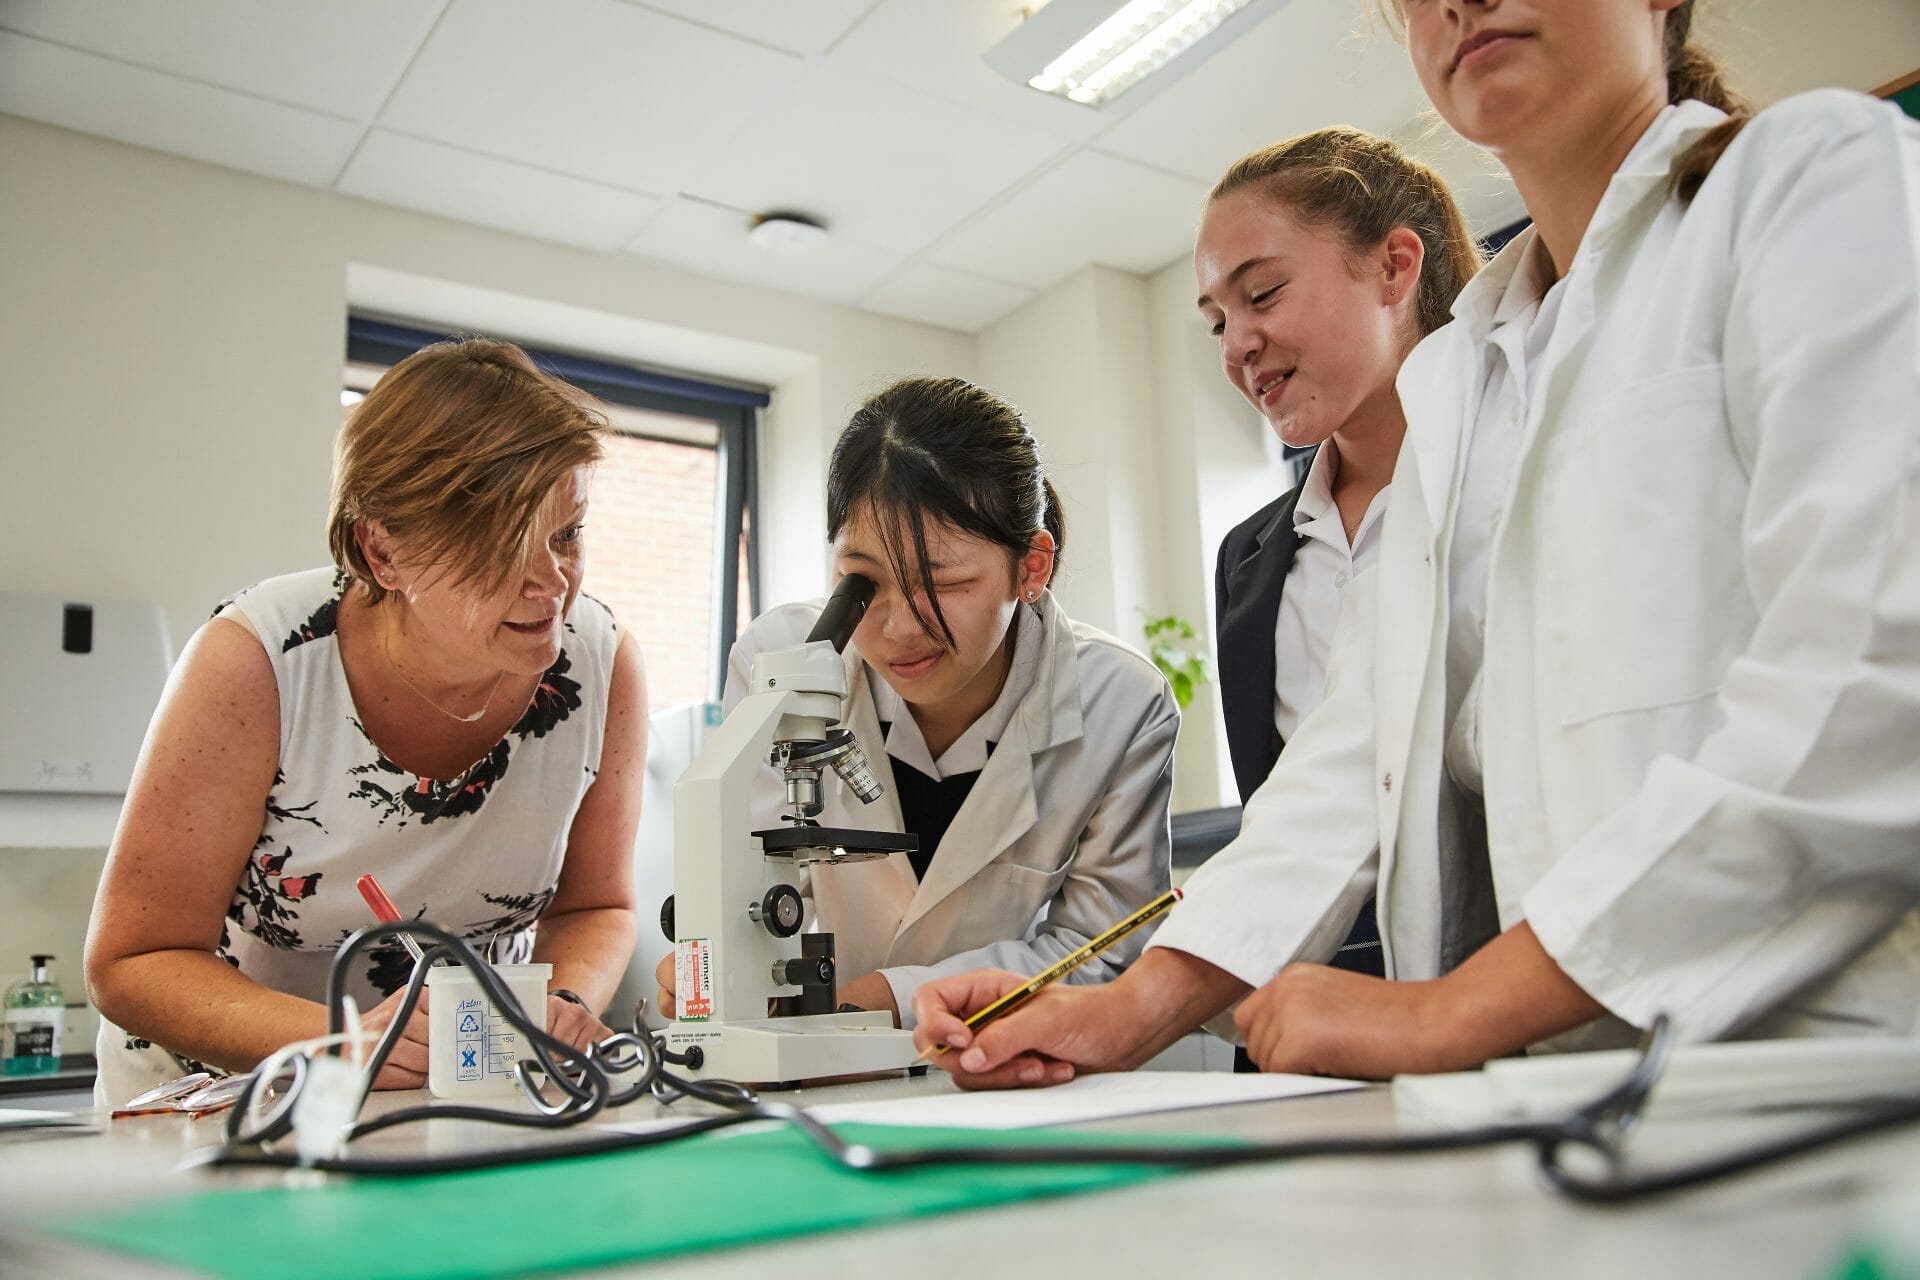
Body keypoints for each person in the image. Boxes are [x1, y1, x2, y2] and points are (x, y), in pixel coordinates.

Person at [913, 0, 1920, 1088]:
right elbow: (1357, 748)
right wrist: (1125, 1007)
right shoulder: (1469, 378)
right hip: (1589, 1091)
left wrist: (1455, 1011)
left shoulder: (1815, 176)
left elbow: (1875, 674)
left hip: (1835, 1064)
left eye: (1263, 294)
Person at [86, 338, 646, 1104]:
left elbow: (597, 905)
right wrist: (343, 1046)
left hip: (462, 1087)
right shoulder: (259, 663)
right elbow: (133, 959)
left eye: (567, 535)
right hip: (226, 1099)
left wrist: (567, 1006)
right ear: (382, 552)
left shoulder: (602, 665)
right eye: (503, 547)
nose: (553, 582)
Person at [655, 376, 1177, 1028]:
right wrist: (718, 963)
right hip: (817, 1056)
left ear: (1031, 567)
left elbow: (1105, 950)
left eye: (943, 583)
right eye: (863, 581)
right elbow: (749, 885)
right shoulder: (778, 659)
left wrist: (897, 997)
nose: (899, 628)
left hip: (1006, 1055)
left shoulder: (1118, 702)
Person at [1206, 128, 1482, 985]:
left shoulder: (1502, 472)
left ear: (1395, 268)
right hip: (1308, 983)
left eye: (1264, 294)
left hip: (1512, 982)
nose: (1236, 345)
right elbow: (1298, 811)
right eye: (1218, 320)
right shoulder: (1247, 557)